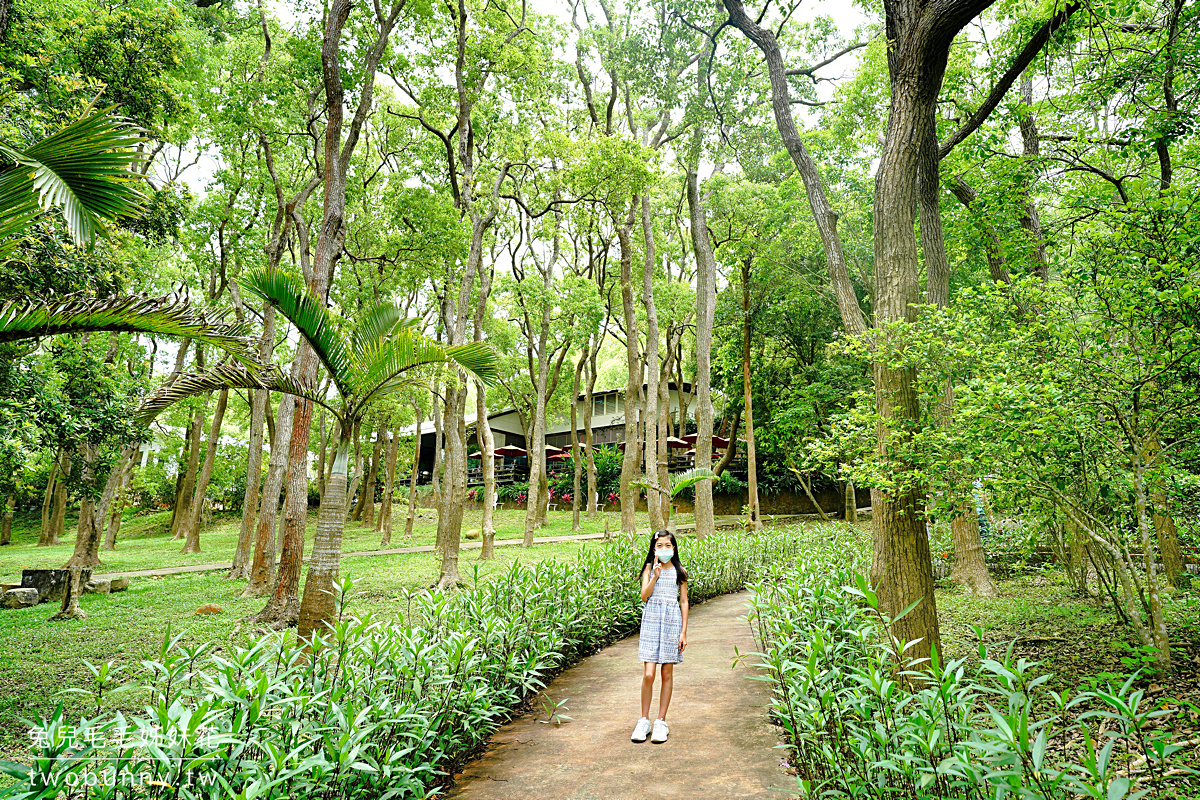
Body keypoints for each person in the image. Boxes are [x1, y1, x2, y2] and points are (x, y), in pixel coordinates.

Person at [631, 529, 689, 744]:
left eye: (668, 545)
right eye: (660, 546)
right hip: (652, 621)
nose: (664, 549)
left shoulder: (679, 571)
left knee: (666, 672)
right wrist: (655, 575)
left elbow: (683, 602)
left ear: (674, 548)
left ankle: (660, 722)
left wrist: (683, 632)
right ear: (653, 548)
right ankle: (643, 720)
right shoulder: (648, 568)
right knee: (648, 674)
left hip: (672, 623)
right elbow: (644, 596)